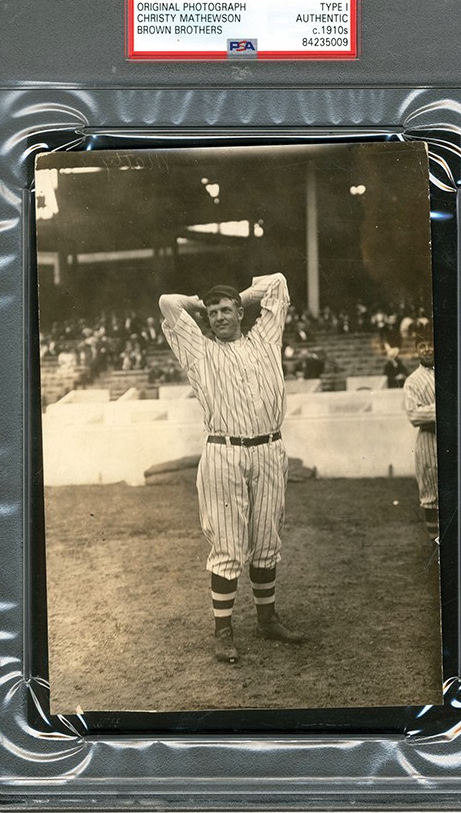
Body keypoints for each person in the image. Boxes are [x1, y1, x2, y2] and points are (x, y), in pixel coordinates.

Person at [159, 273, 305, 664]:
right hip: (224, 451)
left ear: (241, 312)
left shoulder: (265, 338)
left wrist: (231, 293)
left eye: (226, 310)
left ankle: (267, 619)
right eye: (213, 312)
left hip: (270, 448)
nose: (220, 316)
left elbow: (276, 284)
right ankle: (223, 632)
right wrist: (199, 301)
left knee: (266, 537)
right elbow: (167, 303)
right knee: (226, 543)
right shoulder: (200, 351)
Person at [403, 332, 439, 543]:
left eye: (430, 344)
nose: (426, 349)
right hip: (428, 441)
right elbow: (414, 415)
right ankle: (435, 548)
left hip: (454, 440)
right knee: (431, 497)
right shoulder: (413, 381)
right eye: (422, 346)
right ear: (417, 350)